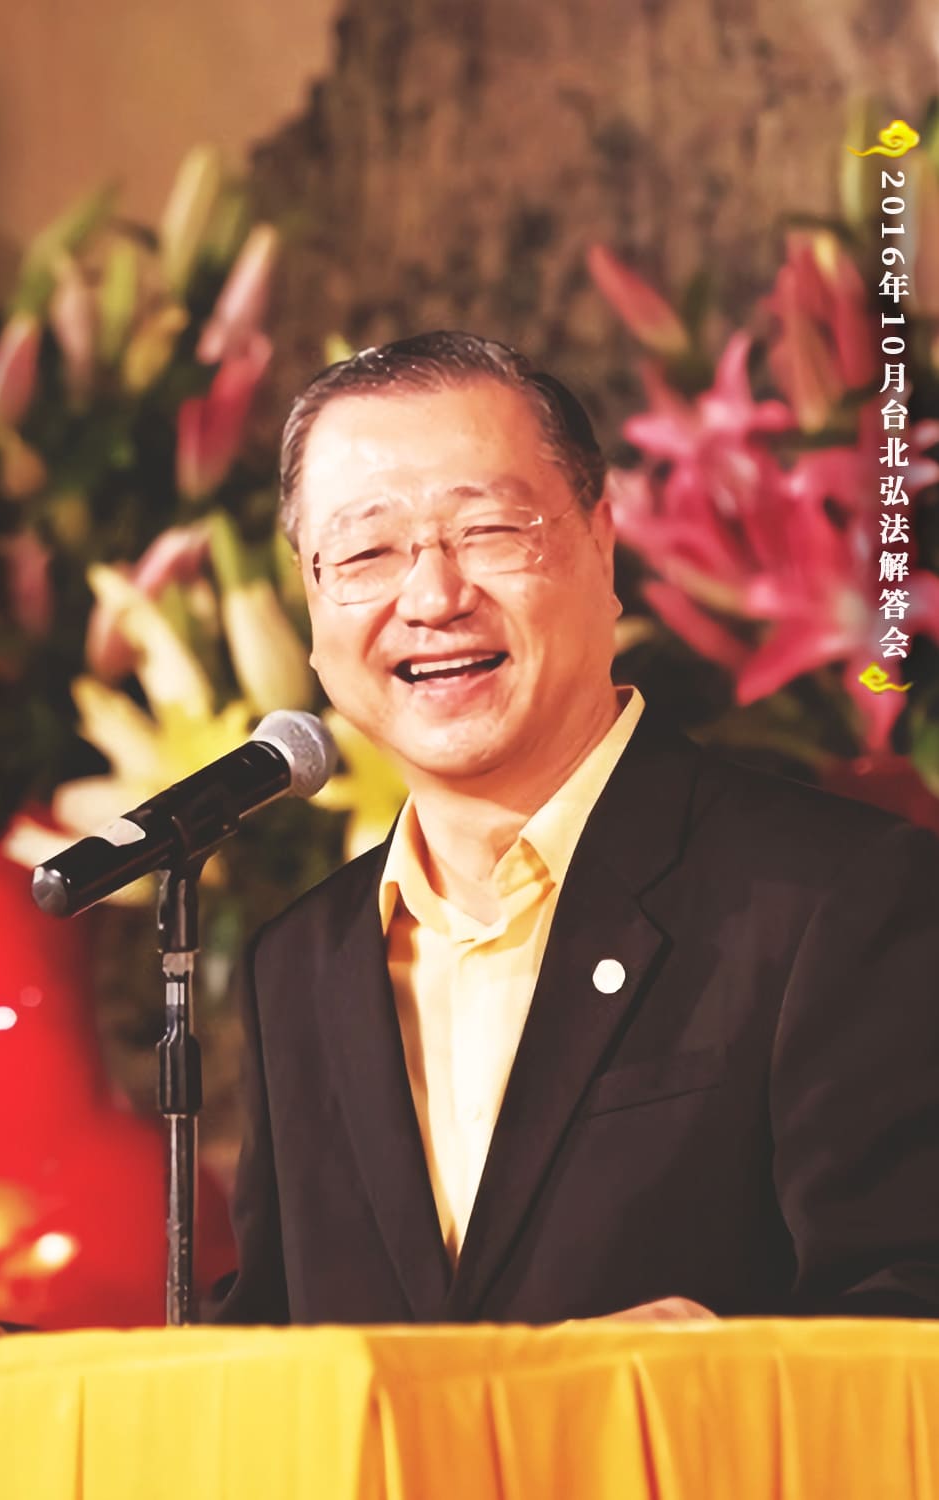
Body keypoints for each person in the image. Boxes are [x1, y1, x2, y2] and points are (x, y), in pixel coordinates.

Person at [211, 330, 939, 1325]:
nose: (433, 597)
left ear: (603, 546)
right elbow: (270, 1344)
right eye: (366, 553)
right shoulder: (300, 962)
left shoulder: (834, 898)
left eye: (489, 531)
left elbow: (912, 1301)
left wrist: (693, 1371)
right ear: (311, 598)